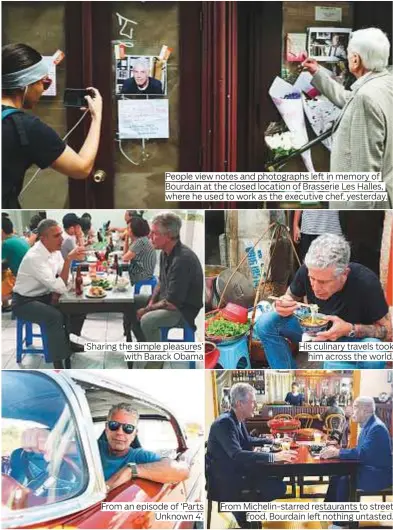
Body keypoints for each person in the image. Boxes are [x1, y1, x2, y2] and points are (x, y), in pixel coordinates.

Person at [255, 234, 391, 369]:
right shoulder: (308, 270)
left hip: (351, 339)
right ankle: (287, 374)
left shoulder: (366, 282)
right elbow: (289, 297)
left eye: (324, 282)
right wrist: (283, 304)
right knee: (266, 323)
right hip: (316, 332)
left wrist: (350, 329)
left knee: (374, 352)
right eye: (312, 279)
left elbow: (387, 331)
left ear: (344, 273)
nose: (316, 288)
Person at [2, 43, 103, 208]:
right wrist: (97, 116)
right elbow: (82, 168)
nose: (43, 90)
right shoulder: (26, 127)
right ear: (25, 84)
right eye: (44, 83)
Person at [302, 27, 393, 209]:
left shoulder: (366, 97)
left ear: (356, 59)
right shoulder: (384, 83)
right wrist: (318, 72)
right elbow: (348, 99)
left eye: (350, 53)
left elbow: (363, 179)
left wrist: (357, 217)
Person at [12, 402, 189, 494]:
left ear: (134, 434)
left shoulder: (139, 456)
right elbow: (64, 446)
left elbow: (181, 471)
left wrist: (131, 470)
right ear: (106, 428)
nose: (120, 432)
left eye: (128, 428)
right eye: (114, 425)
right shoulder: (92, 448)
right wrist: (44, 438)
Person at [206, 383, 297, 529]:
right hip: (227, 481)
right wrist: (275, 457)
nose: (255, 405)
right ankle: (246, 514)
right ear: (239, 404)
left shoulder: (236, 420)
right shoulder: (224, 423)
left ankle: (248, 513)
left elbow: (247, 440)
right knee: (277, 487)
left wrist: (273, 440)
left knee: (277, 480)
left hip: (238, 472)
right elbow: (237, 454)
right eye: (252, 401)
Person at [12, 219, 86, 368]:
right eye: (57, 236)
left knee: (77, 306)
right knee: (54, 317)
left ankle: (65, 342)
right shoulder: (35, 257)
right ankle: (59, 362)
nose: (62, 239)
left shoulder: (54, 251)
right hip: (24, 302)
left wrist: (68, 270)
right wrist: (69, 260)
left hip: (43, 295)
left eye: (60, 234)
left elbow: (62, 278)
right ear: (43, 238)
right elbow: (58, 285)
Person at [128, 212, 203, 356]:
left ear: (168, 235)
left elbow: (172, 303)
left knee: (147, 319)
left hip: (182, 310)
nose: (150, 236)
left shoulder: (182, 260)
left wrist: (147, 310)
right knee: (132, 302)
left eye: (154, 233)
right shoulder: (165, 252)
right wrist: (150, 302)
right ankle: (147, 343)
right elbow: (161, 281)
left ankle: (157, 360)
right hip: (169, 300)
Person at [321, 396, 392, 528]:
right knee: (337, 473)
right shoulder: (368, 425)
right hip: (369, 468)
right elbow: (361, 451)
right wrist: (338, 451)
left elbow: (362, 454)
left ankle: (339, 523)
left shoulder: (377, 428)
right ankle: (329, 511)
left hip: (379, 475)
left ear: (366, 410)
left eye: (355, 408)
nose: (352, 411)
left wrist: (337, 452)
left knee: (344, 478)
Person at [122, 214, 157, 342]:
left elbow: (124, 258)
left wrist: (126, 238)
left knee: (121, 282)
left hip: (142, 274)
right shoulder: (140, 241)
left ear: (134, 230)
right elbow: (125, 255)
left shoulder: (141, 242)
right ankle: (127, 325)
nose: (127, 230)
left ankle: (128, 323)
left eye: (129, 228)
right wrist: (127, 239)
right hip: (145, 272)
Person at [2, 214, 29, 310]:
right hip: (26, 276)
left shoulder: (6, 243)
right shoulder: (19, 239)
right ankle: (6, 304)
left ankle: (9, 298)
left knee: (3, 274)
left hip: (20, 279)